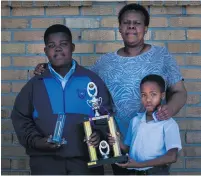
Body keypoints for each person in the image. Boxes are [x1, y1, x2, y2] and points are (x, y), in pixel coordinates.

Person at [33, 3, 187, 174]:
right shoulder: (105, 63)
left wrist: (170, 109)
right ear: (119, 28)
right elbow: (78, 79)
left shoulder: (162, 56)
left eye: (137, 23)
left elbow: (179, 91)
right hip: (117, 144)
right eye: (126, 23)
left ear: (145, 28)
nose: (131, 27)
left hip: (154, 145)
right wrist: (51, 68)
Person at [11, 24, 113, 175]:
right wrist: (36, 141)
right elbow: (20, 117)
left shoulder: (91, 80)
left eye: (63, 44)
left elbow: (107, 115)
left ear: (72, 47)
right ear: (46, 51)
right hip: (45, 163)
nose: (57, 49)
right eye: (52, 45)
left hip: (85, 163)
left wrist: (99, 135)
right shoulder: (35, 84)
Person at [109, 74, 182, 175]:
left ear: (162, 95)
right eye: (144, 95)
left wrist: (139, 165)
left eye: (153, 94)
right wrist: (117, 142)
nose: (148, 99)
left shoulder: (168, 124)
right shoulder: (135, 121)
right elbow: (128, 148)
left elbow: (172, 157)